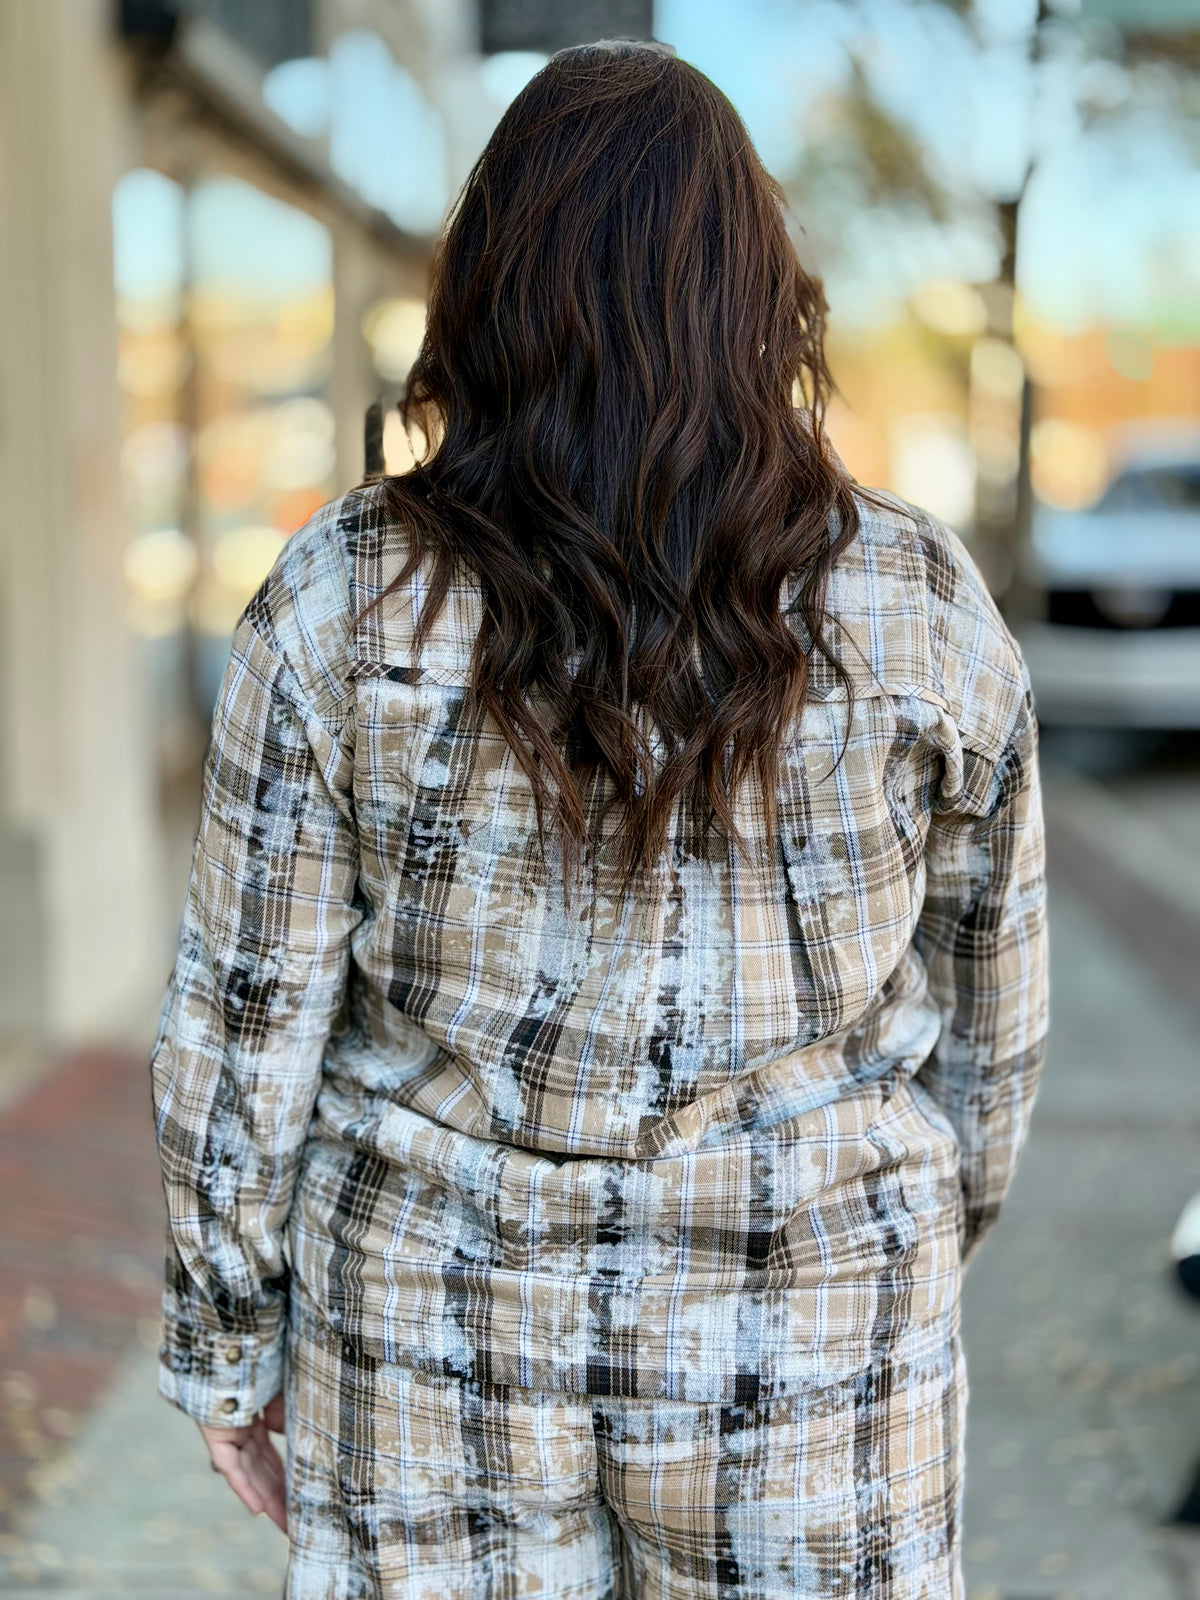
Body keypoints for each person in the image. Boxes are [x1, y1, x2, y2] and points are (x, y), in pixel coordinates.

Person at [151, 39, 1048, 1599]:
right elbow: (996, 1009)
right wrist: (895, 1243)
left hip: (433, 1329)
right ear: (759, 293)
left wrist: (227, 1341)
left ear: (486, 287)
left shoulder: (344, 592)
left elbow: (243, 1019)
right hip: (813, 1315)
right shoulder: (916, 601)